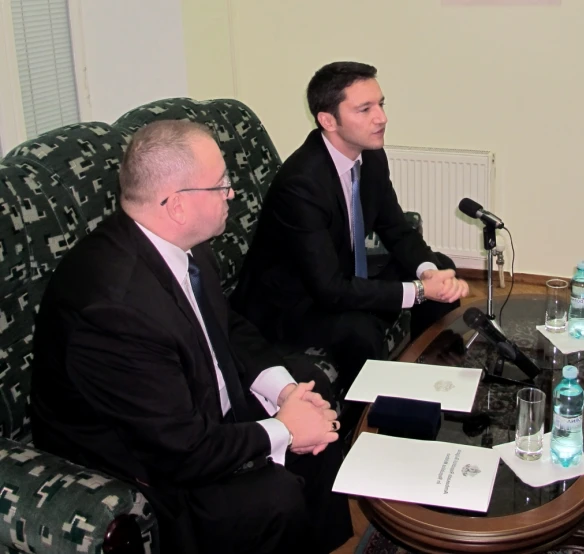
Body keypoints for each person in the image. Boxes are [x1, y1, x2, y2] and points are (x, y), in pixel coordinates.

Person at [30, 120, 353, 554]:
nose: (232, 194)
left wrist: (286, 391)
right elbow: (179, 448)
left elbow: (226, 325)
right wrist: (281, 429)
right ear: (178, 205)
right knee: (273, 498)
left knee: (315, 394)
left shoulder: (181, 240)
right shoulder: (114, 311)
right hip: (143, 462)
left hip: (191, 400)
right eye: (220, 184)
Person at [230, 61, 470, 391]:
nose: (381, 117)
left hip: (339, 276)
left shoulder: (370, 155)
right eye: (365, 109)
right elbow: (328, 289)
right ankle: (366, 419)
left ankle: (431, 381)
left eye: (381, 104)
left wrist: (428, 274)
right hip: (290, 305)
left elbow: (396, 228)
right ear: (328, 120)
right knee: (360, 330)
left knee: (441, 267)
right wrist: (416, 292)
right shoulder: (301, 185)